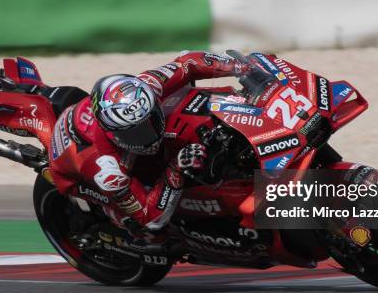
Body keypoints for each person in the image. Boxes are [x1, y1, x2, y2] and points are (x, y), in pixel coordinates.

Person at [48, 51, 246, 236]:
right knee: (145, 230)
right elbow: (150, 218)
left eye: (150, 122)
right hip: (76, 174)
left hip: (92, 125)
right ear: (112, 134)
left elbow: (189, 63)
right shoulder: (108, 170)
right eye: (134, 134)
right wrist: (175, 170)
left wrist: (238, 66)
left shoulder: (146, 87)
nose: (147, 137)